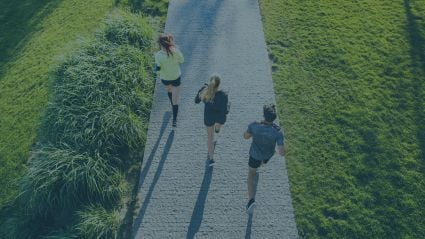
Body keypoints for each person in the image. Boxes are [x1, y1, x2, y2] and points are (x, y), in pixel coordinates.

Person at [243, 104, 285, 214]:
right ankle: (260, 166)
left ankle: (251, 200)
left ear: (264, 115)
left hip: (254, 155)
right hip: (267, 155)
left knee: (251, 173)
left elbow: (246, 136)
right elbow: (281, 153)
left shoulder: (254, 125)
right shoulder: (278, 132)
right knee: (261, 163)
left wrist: (253, 131)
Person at [195, 75, 229, 166]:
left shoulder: (205, 90)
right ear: (219, 84)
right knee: (218, 125)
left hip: (208, 117)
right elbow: (225, 111)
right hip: (219, 118)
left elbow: (196, 101)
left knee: (210, 138)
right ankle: (217, 128)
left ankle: (211, 158)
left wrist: (201, 91)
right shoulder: (223, 95)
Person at [154, 33, 184, 127]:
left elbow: (158, 68)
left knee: (169, 90)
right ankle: (174, 120)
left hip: (165, 78)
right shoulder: (175, 51)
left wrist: (159, 73)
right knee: (176, 99)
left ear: (160, 44)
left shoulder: (158, 55)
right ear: (169, 42)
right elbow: (182, 60)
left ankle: (172, 105)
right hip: (176, 77)